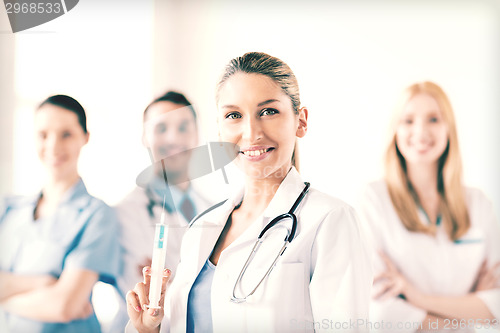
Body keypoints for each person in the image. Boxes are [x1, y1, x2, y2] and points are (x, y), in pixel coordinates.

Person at [125, 52, 373, 333]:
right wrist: (148, 328)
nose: (251, 132)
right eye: (234, 115)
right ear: (220, 130)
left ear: (300, 121)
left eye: (268, 111)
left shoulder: (330, 221)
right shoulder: (201, 230)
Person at [357, 81, 500, 332]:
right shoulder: (375, 200)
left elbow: (497, 305)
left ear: (449, 129)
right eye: (408, 120)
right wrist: (467, 316)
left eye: (434, 119)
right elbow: (380, 310)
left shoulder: (478, 204)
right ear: (395, 131)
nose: (421, 131)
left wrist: (415, 297)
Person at [0, 95, 121, 333]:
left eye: (66, 134)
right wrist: (42, 283)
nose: (53, 146)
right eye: (43, 135)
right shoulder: (8, 209)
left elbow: (65, 306)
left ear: (85, 138)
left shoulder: (97, 215)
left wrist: (6, 296)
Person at [112, 91, 213, 331]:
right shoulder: (125, 214)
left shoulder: (215, 211)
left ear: (197, 135)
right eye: (161, 128)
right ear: (144, 137)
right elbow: (143, 298)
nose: (172, 138)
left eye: (182, 127)